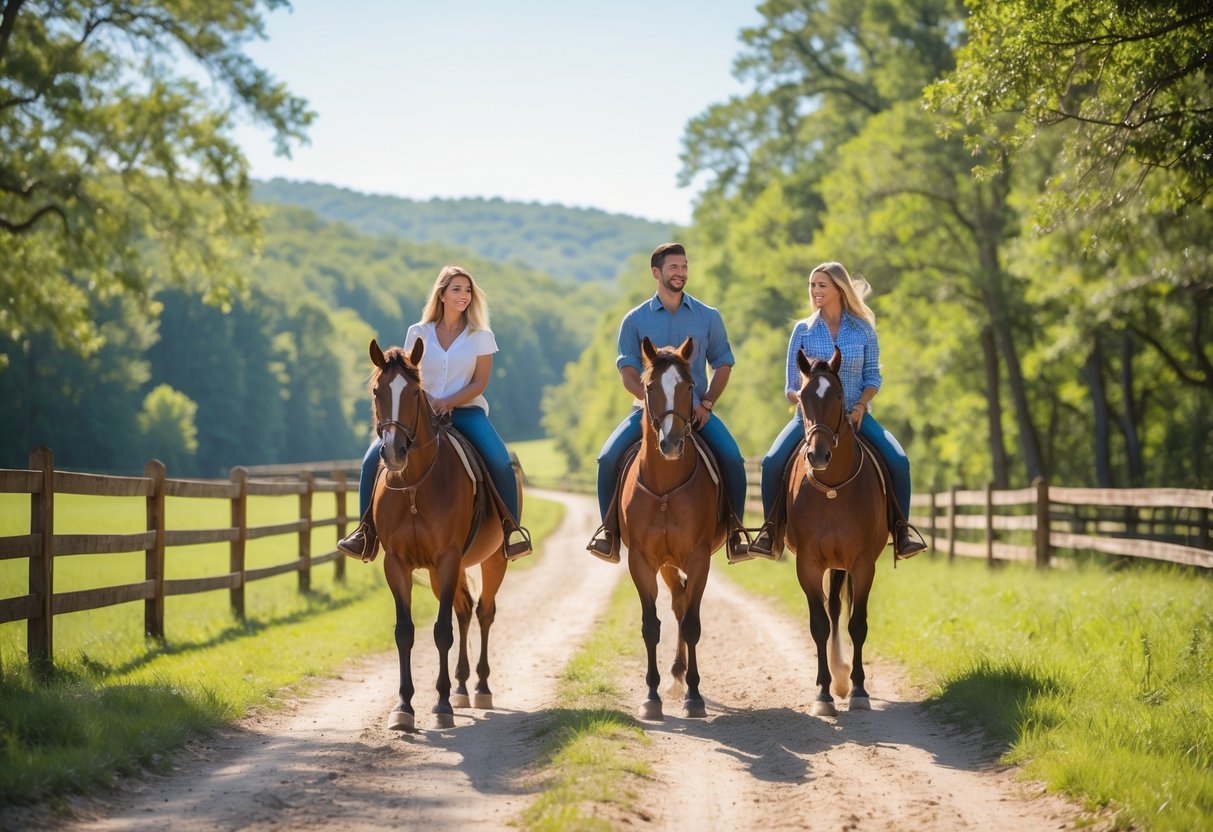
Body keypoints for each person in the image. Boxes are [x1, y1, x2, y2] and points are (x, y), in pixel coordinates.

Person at [338, 265, 532, 562]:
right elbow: (406, 374)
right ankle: (365, 533)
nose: (464, 296)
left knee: (500, 461)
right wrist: (429, 401)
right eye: (456, 289)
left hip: (467, 412)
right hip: (420, 415)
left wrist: (448, 402)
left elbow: (480, 382)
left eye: (468, 290)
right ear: (441, 294)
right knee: (370, 460)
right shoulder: (418, 332)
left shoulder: (480, 336)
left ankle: (511, 531)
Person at [586, 242, 752, 564]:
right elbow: (629, 373)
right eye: (674, 267)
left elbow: (723, 364)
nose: (681, 273)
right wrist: (650, 407)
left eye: (684, 266)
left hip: (696, 412)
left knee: (732, 459)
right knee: (607, 459)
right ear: (656, 272)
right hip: (648, 413)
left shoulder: (708, 317)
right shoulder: (634, 320)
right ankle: (609, 532)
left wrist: (706, 404)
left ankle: (736, 533)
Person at [749, 261, 926, 560]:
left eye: (822, 285)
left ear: (839, 289)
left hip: (855, 417)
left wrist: (858, 407)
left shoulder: (863, 330)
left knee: (898, 460)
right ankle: (770, 532)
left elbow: (873, 377)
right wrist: (807, 407)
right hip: (811, 421)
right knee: (771, 462)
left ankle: (901, 532)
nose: (815, 291)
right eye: (812, 285)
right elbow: (791, 384)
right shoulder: (802, 330)